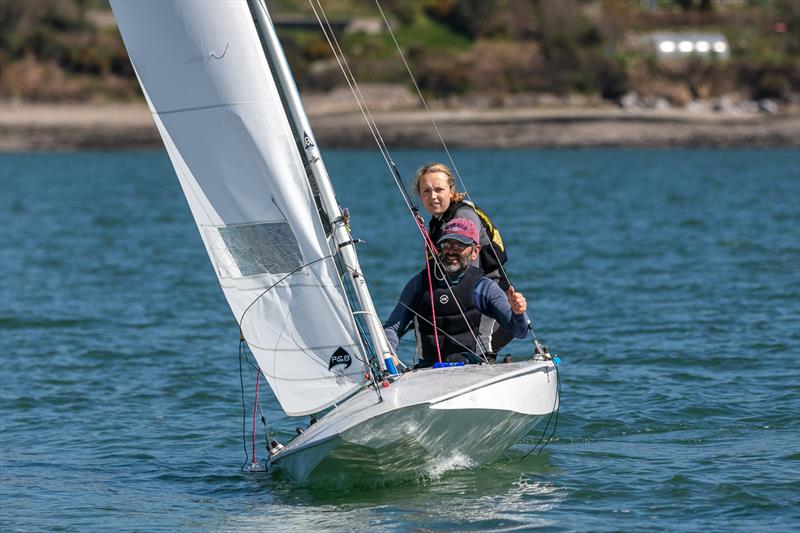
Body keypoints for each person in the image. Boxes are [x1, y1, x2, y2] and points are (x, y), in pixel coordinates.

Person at [383, 218, 530, 369]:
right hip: (427, 372)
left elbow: (520, 332)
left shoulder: (485, 288)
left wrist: (517, 313)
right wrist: (389, 353)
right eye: (447, 244)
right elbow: (393, 328)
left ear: (475, 252)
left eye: (460, 245)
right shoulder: (419, 284)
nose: (452, 251)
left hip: (477, 370)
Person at [412, 162, 512, 353]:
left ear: (451, 190)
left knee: (472, 357)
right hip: (466, 308)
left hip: (490, 309)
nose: (432, 196)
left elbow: (468, 277)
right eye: (426, 191)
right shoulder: (438, 222)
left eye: (438, 189)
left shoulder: (463, 217)